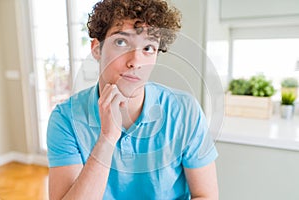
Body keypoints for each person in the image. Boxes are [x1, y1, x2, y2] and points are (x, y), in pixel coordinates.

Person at [47, 0, 219, 199]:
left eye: (148, 48)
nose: (135, 62)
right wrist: (107, 139)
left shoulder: (184, 110)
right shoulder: (65, 118)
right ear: (96, 48)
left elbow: (205, 195)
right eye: (121, 42)